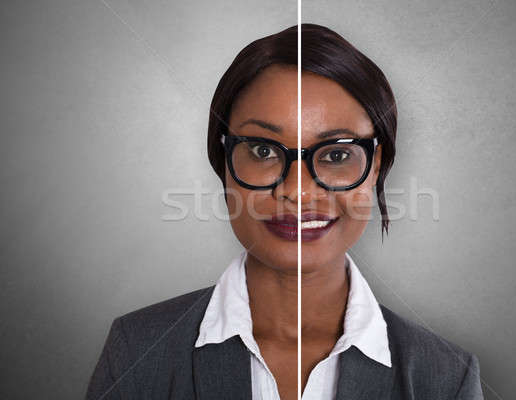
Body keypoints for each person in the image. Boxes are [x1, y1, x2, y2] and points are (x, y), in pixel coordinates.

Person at [86, 23, 484, 400]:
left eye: (336, 154)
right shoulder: (137, 352)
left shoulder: (445, 378)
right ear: (224, 162)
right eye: (262, 150)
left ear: (375, 165)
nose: (296, 190)